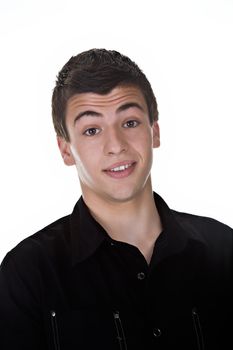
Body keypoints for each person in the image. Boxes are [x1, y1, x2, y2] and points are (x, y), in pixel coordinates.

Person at [0, 49, 232, 350]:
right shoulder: (28, 273)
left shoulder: (223, 251)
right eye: (92, 130)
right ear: (66, 150)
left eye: (130, 122)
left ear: (155, 132)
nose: (116, 146)